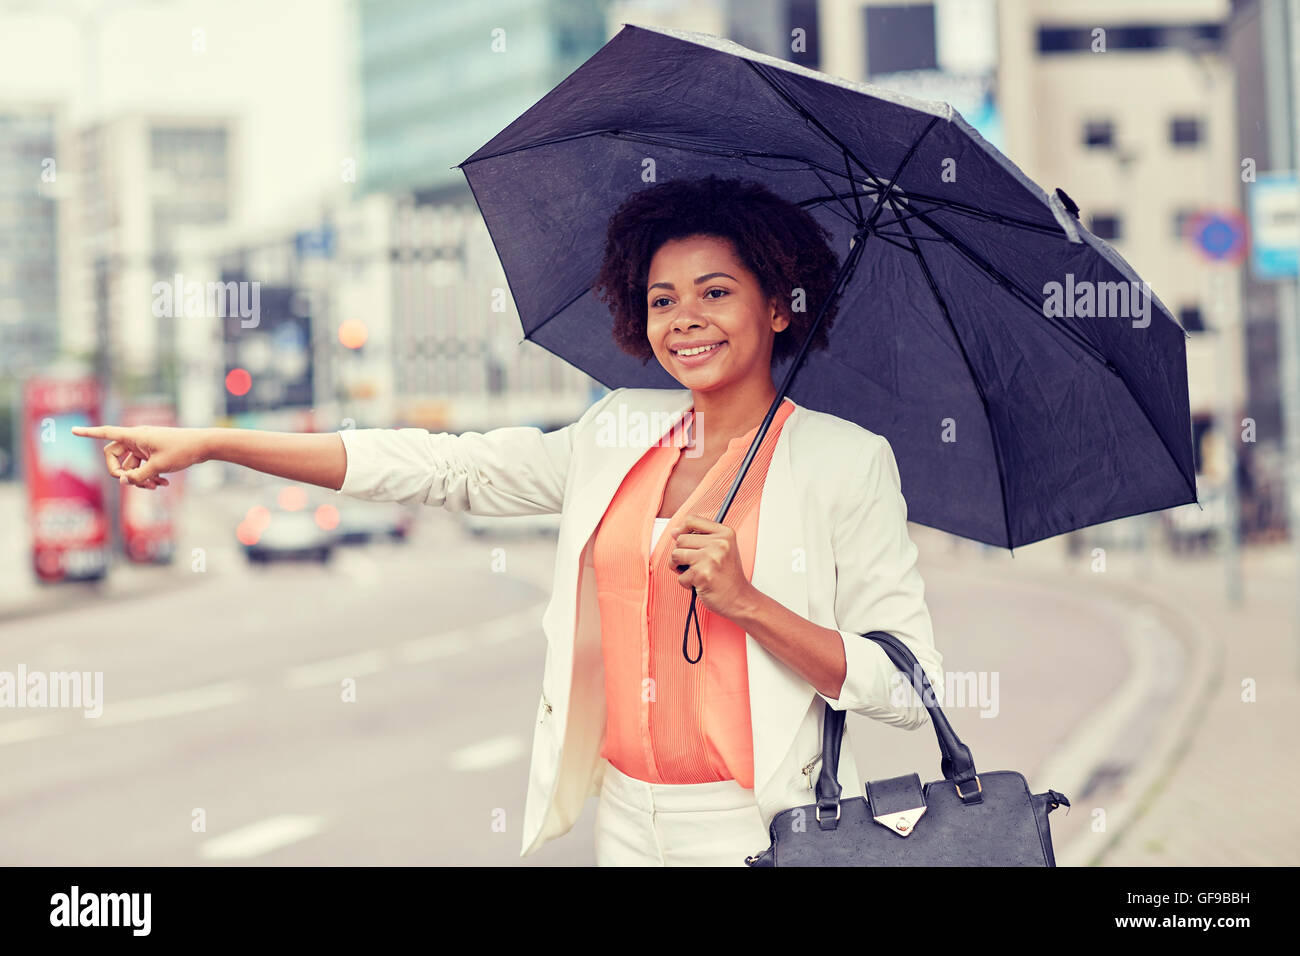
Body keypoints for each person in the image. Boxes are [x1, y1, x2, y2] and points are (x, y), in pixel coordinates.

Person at [73, 174, 943, 866]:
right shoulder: (620, 431)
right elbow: (445, 467)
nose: (685, 321)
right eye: (661, 299)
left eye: (715, 293)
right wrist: (218, 444)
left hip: (766, 827)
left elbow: (909, 686)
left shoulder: (844, 462)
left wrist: (750, 601)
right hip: (630, 820)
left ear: (780, 306)